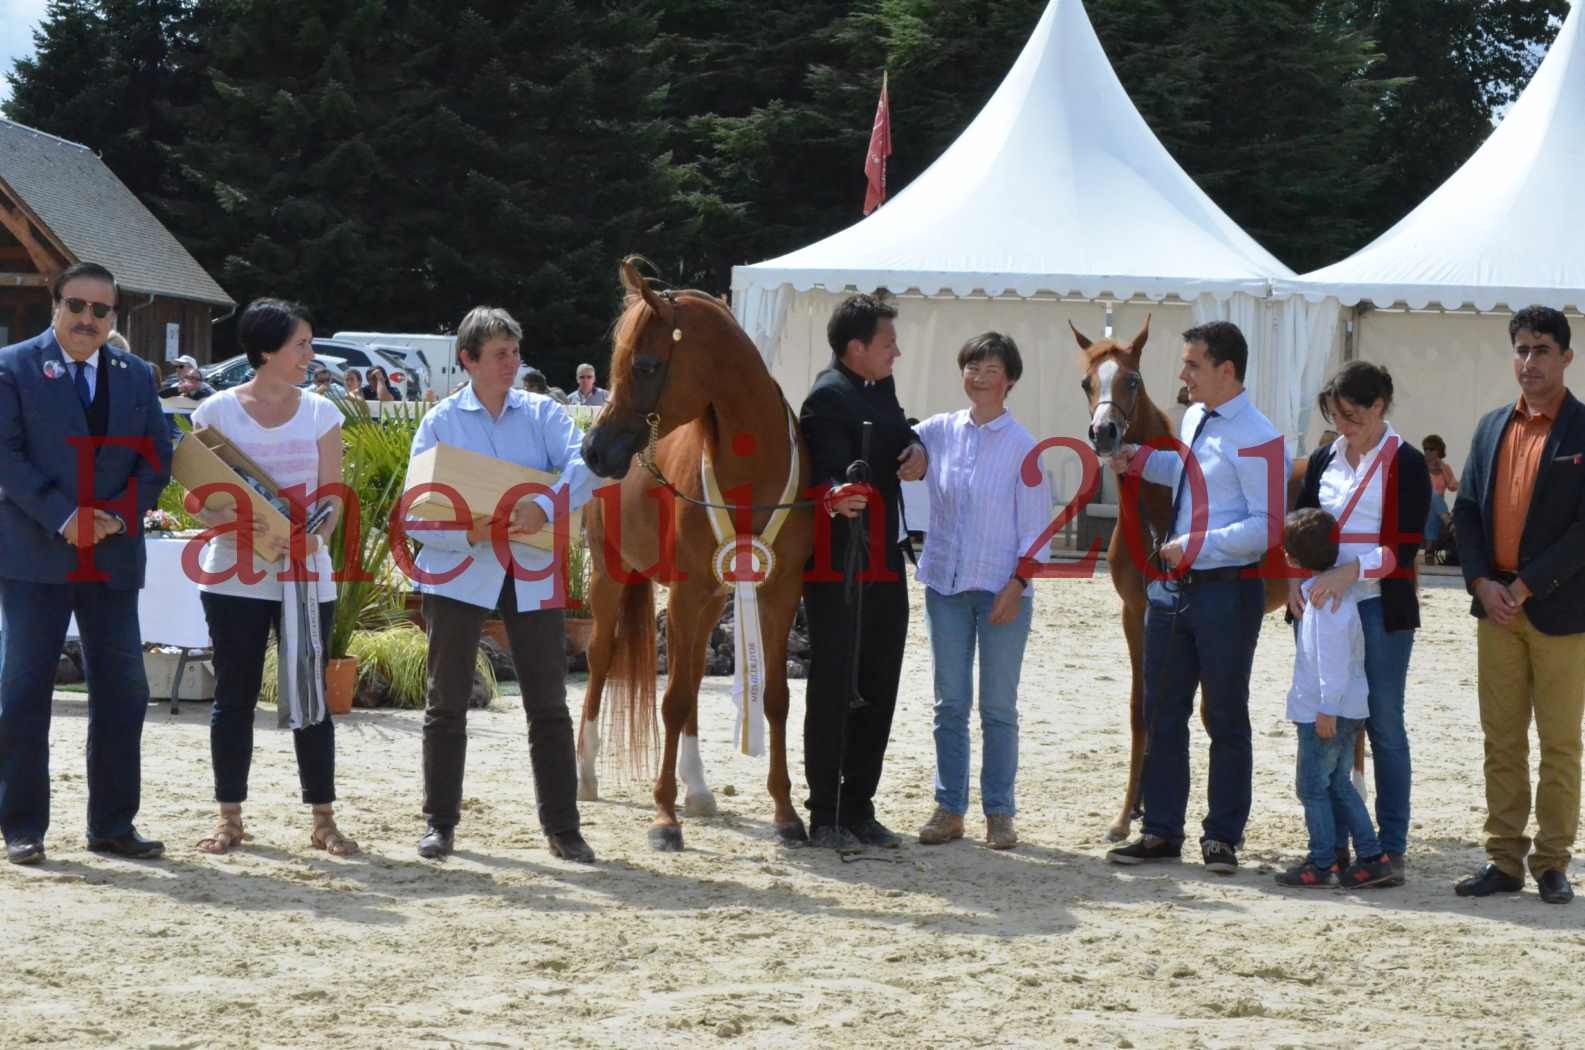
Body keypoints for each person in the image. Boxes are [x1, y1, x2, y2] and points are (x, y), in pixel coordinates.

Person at [404, 306, 596, 863]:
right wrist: (469, 532)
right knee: (446, 700)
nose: (513, 362)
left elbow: (582, 465)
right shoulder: (439, 421)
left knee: (549, 703)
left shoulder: (543, 413)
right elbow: (415, 512)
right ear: (468, 360)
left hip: (531, 569)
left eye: (515, 351)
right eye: (499, 354)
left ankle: (563, 827)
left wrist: (545, 505)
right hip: (458, 570)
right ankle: (440, 823)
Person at [0, 261, 173, 865]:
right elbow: (7, 457)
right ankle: (23, 827)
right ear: (56, 304)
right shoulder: (13, 365)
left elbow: (157, 456)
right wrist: (65, 516)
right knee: (21, 694)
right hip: (35, 556)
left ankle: (113, 825)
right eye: (77, 306)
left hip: (113, 555)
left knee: (125, 693)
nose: (87, 319)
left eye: (102, 311)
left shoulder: (134, 375)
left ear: (114, 318)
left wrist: (120, 516)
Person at [1105, 321, 1285, 874]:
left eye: (1192, 365)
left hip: (1227, 591)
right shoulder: (1194, 418)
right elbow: (1187, 470)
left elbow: (1268, 528)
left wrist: (1195, 546)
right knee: (1163, 712)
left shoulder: (1261, 436)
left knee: (1226, 718)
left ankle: (1222, 836)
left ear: (1226, 371)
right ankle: (1161, 829)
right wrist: (1138, 458)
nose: (1181, 375)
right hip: (1176, 590)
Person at [188, 298, 358, 856]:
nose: (310, 355)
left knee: (311, 697)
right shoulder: (213, 412)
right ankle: (229, 819)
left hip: (306, 575)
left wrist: (314, 538)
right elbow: (195, 499)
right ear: (266, 350)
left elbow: (332, 499)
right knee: (233, 696)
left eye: (310, 344)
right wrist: (236, 526)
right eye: (301, 345)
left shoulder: (321, 413)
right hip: (231, 576)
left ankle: (324, 819)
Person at [1452, 305, 1585, 906]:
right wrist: (1481, 582)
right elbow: (1466, 513)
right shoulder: (1488, 427)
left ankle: (1553, 862)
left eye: (1541, 350)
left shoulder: (1583, 429)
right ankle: (1504, 858)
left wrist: (1527, 585)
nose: (1529, 361)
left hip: (1559, 611)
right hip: (1495, 609)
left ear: (1566, 357)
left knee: (1560, 742)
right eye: (1521, 349)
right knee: (1500, 739)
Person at [1291, 361, 1430, 887]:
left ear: (1379, 407)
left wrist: (1352, 570)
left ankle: (1390, 845)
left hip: (1379, 606)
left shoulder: (1409, 462)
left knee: (1384, 724)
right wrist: (1292, 581)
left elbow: (1405, 548)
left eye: (1352, 414)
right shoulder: (1325, 455)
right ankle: (1338, 842)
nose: (1343, 424)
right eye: (1335, 414)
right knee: (1329, 721)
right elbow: (1301, 523)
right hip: (1325, 607)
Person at [797, 293, 927, 850]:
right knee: (834, 683)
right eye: (888, 343)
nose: (896, 352)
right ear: (857, 348)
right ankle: (824, 813)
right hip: (838, 564)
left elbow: (900, 435)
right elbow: (815, 470)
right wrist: (829, 494)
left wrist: (918, 447)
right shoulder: (826, 397)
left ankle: (860, 806)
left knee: (880, 681)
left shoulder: (882, 389)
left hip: (885, 560)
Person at [911, 333, 1048, 850]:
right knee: (949, 703)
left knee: (997, 706)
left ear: (1010, 379)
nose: (980, 375)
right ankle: (949, 808)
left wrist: (1018, 584)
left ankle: (999, 812)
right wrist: (910, 456)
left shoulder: (1024, 447)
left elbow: (1037, 528)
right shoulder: (941, 430)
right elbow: (904, 440)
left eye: (992, 368)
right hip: (945, 583)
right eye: (972, 365)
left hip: (1001, 590)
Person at [1275, 508, 1394, 888]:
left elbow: (1332, 664)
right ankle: (1372, 856)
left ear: (1292, 558)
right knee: (1339, 784)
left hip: (1325, 713)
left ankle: (1322, 861)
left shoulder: (1323, 603)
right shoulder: (1335, 594)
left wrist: (1326, 708)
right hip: (1349, 709)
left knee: (1311, 786)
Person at [1422, 434, 1459, 551]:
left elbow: (1453, 487)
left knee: (1433, 509)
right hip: (1421, 506)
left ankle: (1429, 551)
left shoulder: (1445, 468)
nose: (1427, 452)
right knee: (1432, 494)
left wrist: (1443, 468)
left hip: (1436, 511)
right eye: (1425, 449)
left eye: (1431, 449)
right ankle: (1449, 523)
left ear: (1438, 451)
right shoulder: (1420, 466)